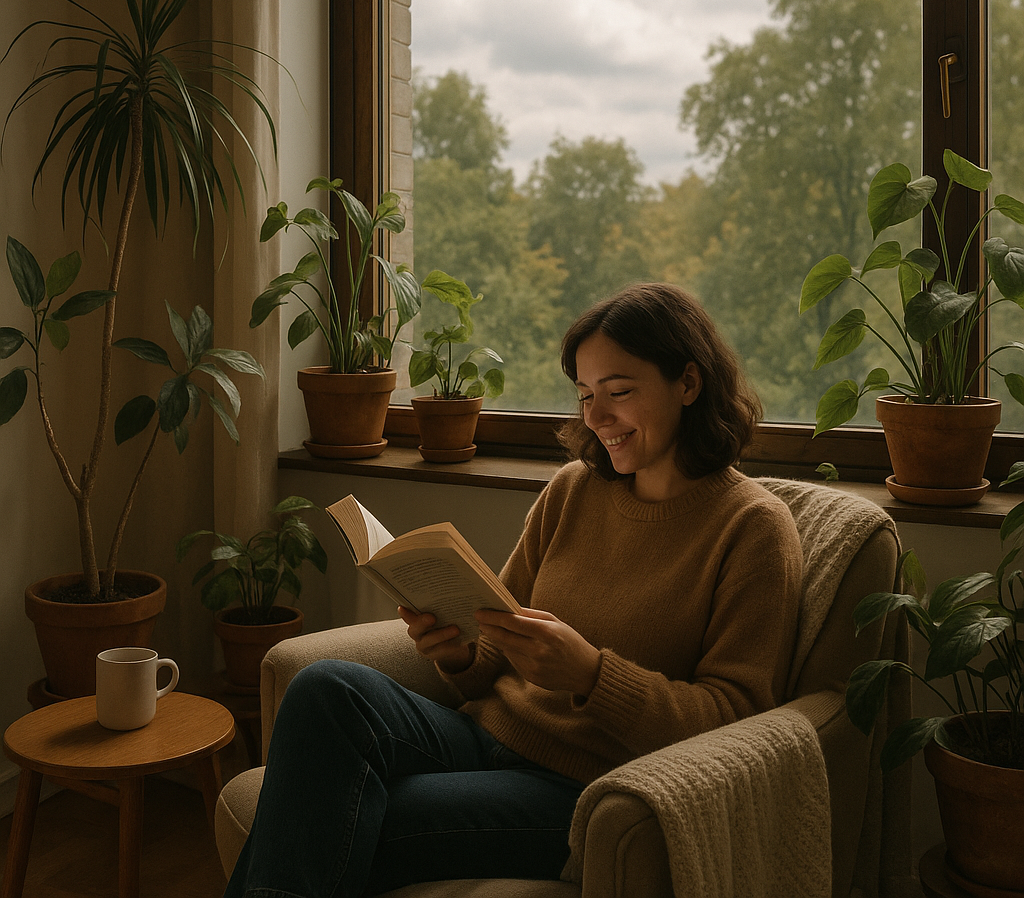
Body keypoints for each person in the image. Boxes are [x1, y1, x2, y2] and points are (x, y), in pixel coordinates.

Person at [223, 282, 803, 898]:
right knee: (325, 688)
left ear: (688, 383)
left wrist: (591, 677)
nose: (595, 418)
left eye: (619, 392)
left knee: (331, 810)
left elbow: (737, 720)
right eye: (584, 396)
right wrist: (460, 653)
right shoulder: (575, 490)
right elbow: (501, 634)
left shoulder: (753, 530)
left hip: (586, 789)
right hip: (483, 733)